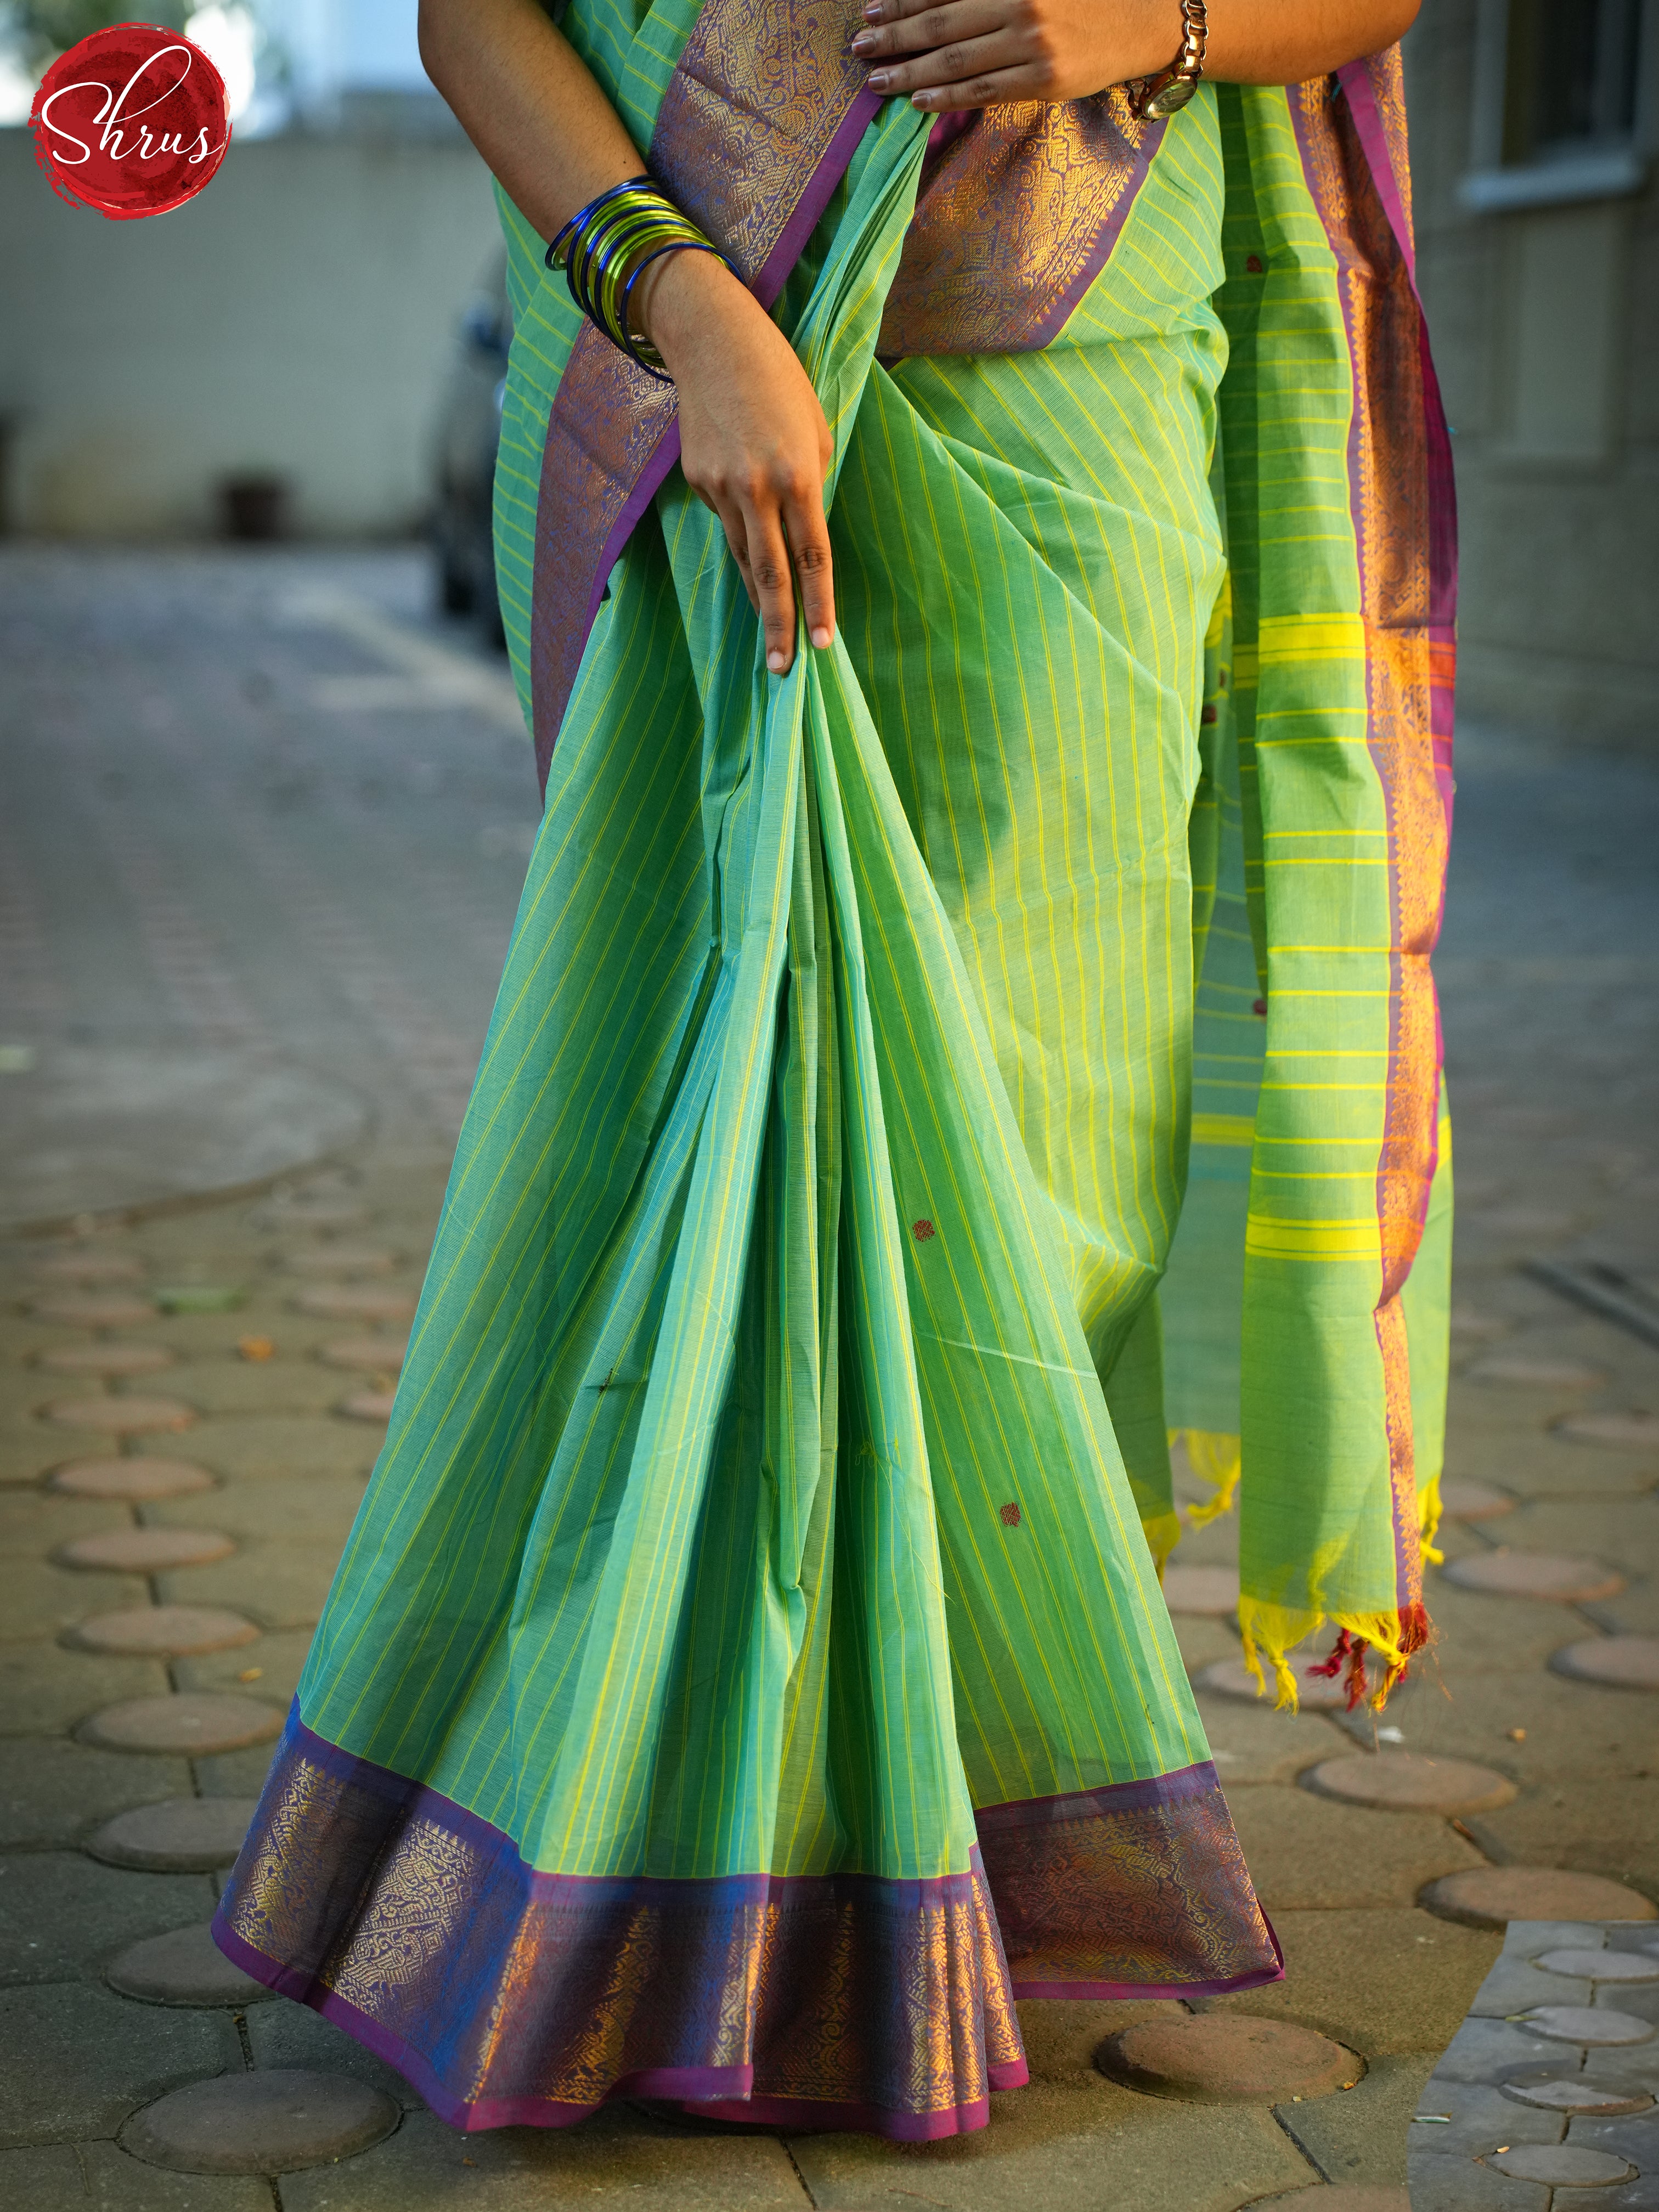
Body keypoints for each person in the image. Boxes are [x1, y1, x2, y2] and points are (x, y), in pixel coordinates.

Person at [213, 0, 1455, 2141]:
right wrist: (684, 307)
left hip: (1077, 422)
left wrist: (1140, 19)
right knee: (707, 1157)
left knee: (1037, 1160)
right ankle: (678, 1886)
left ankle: (893, 1854)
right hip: (705, 401)